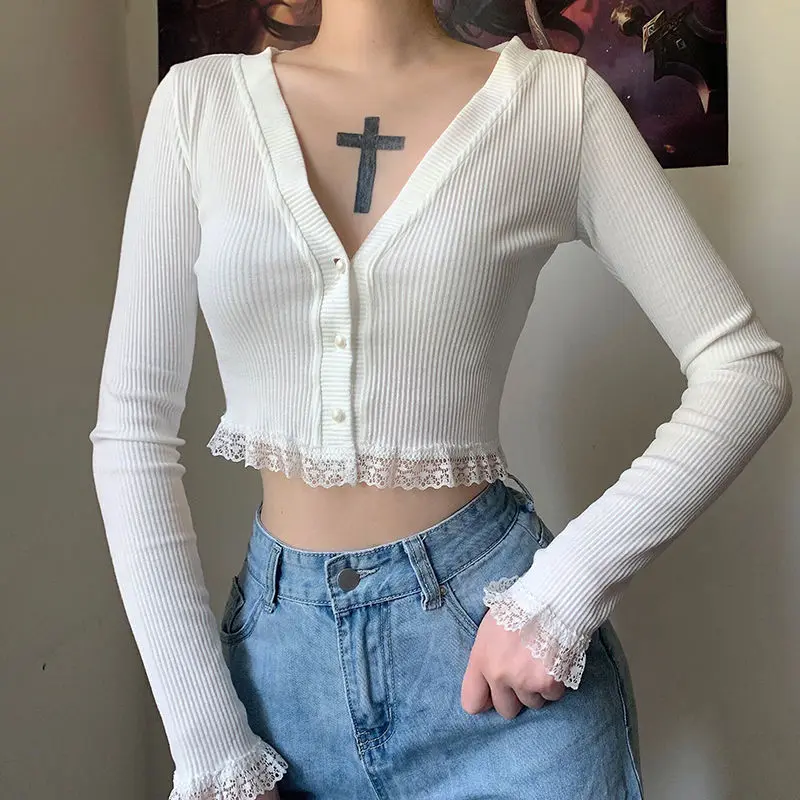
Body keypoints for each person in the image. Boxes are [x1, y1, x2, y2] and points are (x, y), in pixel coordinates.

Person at [88, 1, 792, 798]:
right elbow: (133, 437)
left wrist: (560, 598)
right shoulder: (197, 106)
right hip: (275, 685)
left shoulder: (556, 104)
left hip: (497, 671)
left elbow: (744, 370)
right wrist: (208, 742)